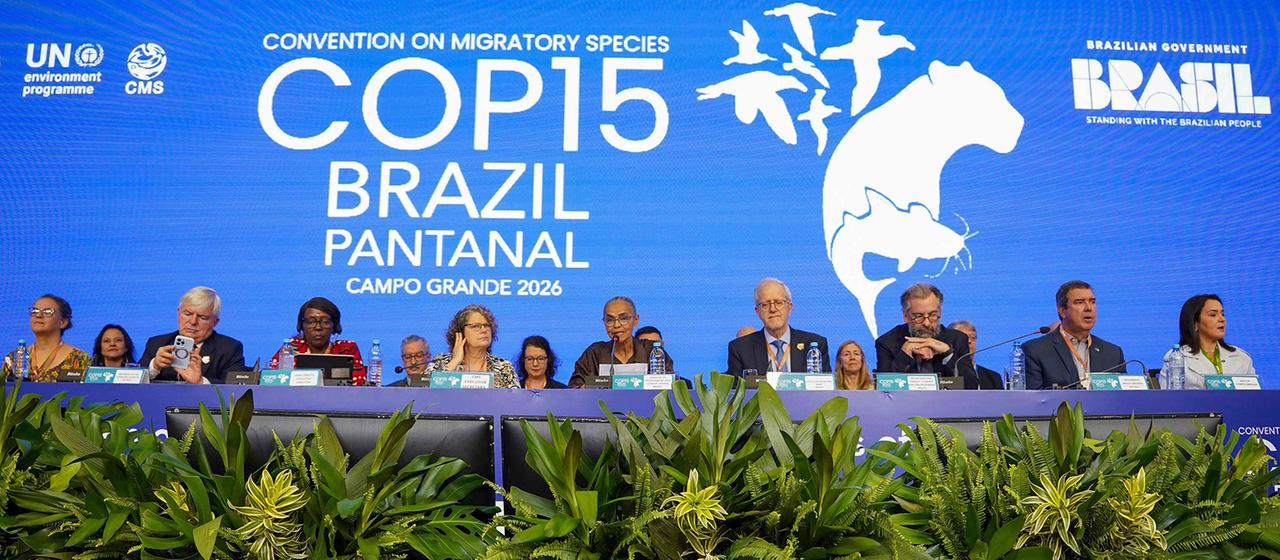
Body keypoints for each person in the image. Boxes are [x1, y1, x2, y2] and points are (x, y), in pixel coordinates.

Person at [1023, 280, 1125, 390]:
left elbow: (1123, 397)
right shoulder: (1035, 351)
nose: (1088, 308)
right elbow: (1033, 398)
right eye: (1079, 302)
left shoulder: (1113, 353)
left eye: (1092, 302)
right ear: (1062, 311)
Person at [875, 283, 977, 388]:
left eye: (933, 315)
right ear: (905, 316)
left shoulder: (957, 340)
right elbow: (884, 388)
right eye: (918, 316)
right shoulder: (887, 342)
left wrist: (948, 353)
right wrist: (905, 354)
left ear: (940, 312)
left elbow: (971, 386)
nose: (927, 323)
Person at [140, 286, 246, 384]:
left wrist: (200, 382)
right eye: (187, 314)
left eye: (202, 317)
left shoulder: (230, 348)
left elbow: (235, 388)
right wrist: (154, 366)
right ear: (178, 313)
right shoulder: (156, 343)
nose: (193, 321)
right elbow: (133, 381)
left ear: (215, 322)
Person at [727, 278, 830, 375]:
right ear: (758, 312)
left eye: (779, 303)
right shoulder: (740, 349)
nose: (772, 309)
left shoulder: (815, 345)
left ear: (789, 307)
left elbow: (824, 387)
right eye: (765, 305)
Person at [570, 296, 674, 387]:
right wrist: (597, 384)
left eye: (623, 318)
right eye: (609, 320)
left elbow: (669, 386)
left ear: (635, 320)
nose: (616, 325)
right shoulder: (594, 353)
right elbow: (574, 390)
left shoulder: (652, 351)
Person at [1160, 294, 1254, 389]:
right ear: (1195, 324)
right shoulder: (1177, 358)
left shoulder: (1241, 358)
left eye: (1222, 314)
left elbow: (1255, 396)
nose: (1222, 319)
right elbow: (1166, 397)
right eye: (1213, 315)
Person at [267, 297, 367, 384]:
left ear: (334, 326)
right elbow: (271, 380)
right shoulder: (290, 348)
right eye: (311, 321)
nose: (318, 327)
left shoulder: (346, 349)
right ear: (302, 325)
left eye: (325, 322)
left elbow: (359, 385)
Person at [424, 304, 518, 388]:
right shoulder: (441, 361)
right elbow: (425, 390)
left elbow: (516, 400)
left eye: (486, 325)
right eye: (475, 326)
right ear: (460, 333)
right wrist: (455, 361)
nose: (484, 330)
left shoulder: (503, 367)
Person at [2, 294, 90, 381]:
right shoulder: (14, 359)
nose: (38, 315)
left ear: (63, 322)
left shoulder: (78, 359)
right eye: (35, 311)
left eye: (47, 312)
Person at [948, 320, 1004, 390]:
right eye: (963, 337)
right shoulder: (942, 373)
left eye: (973, 338)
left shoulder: (994, 378)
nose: (969, 341)